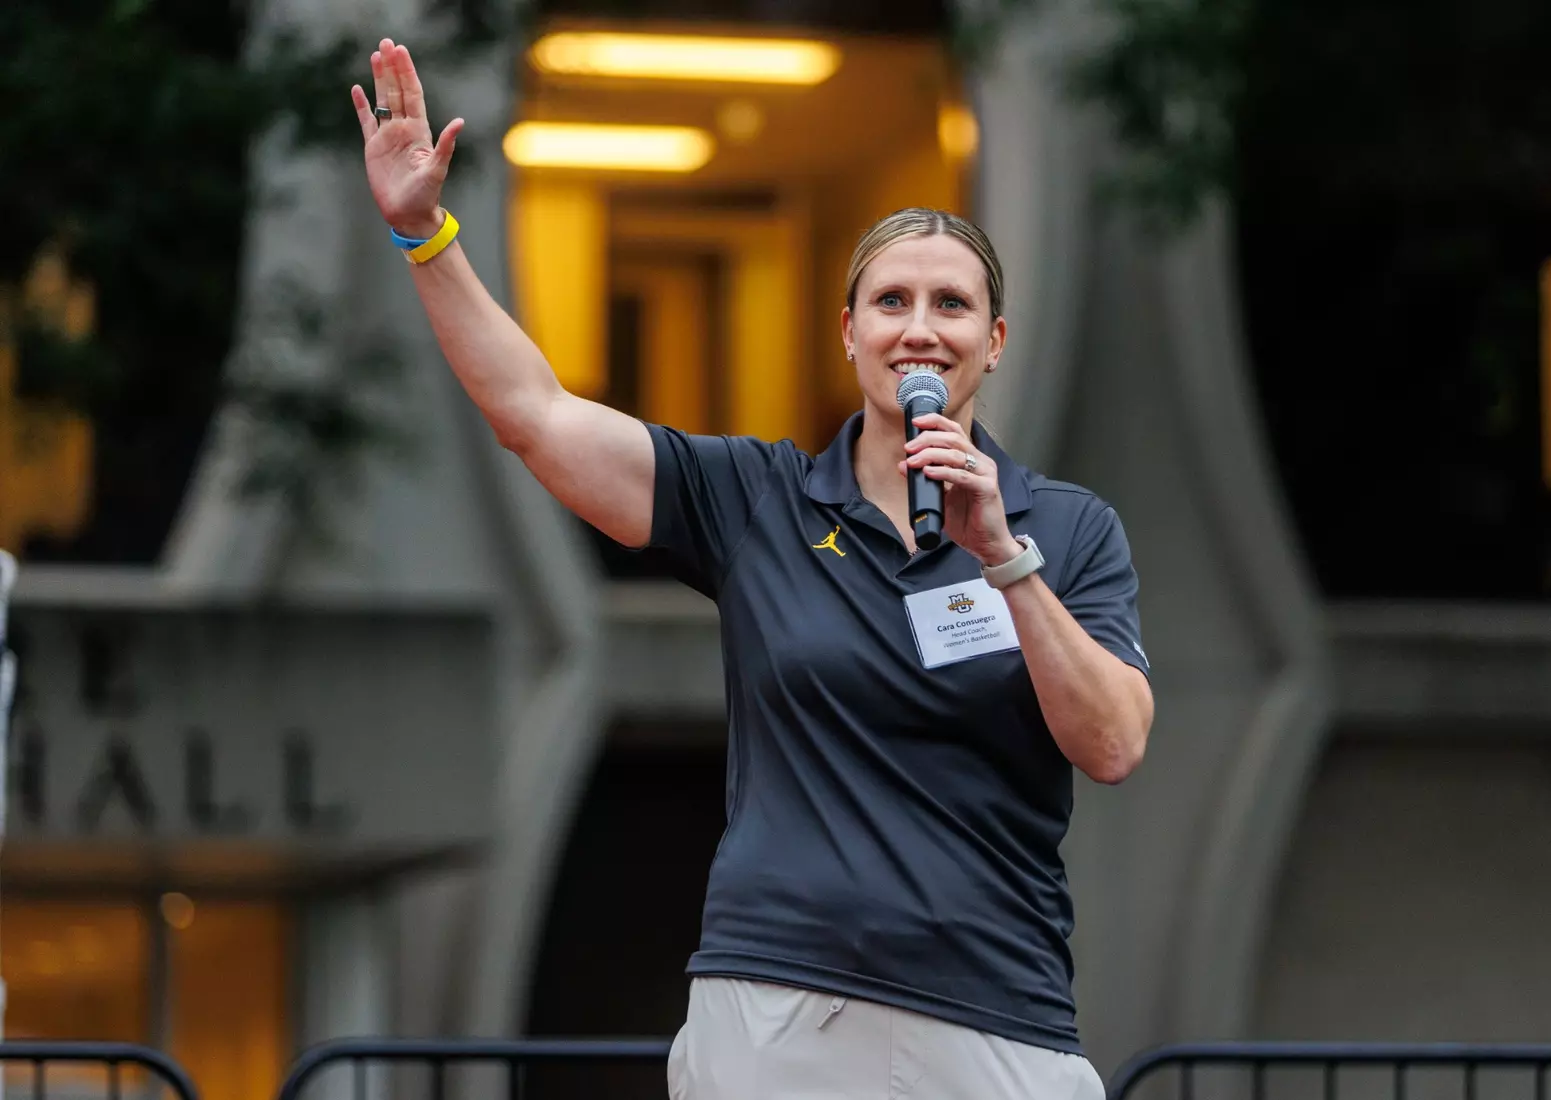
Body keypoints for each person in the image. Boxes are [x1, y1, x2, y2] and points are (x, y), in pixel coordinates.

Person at [352, 38, 1154, 1100]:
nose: (920, 329)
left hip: (995, 1007)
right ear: (849, 332)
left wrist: (1003, 558)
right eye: (892, 302)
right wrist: (426, 235)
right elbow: (536, 417)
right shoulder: (759, 498)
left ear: (995, 340)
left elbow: (1112, 743)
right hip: (781, 1007)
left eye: (952, 305)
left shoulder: (1069, 527)